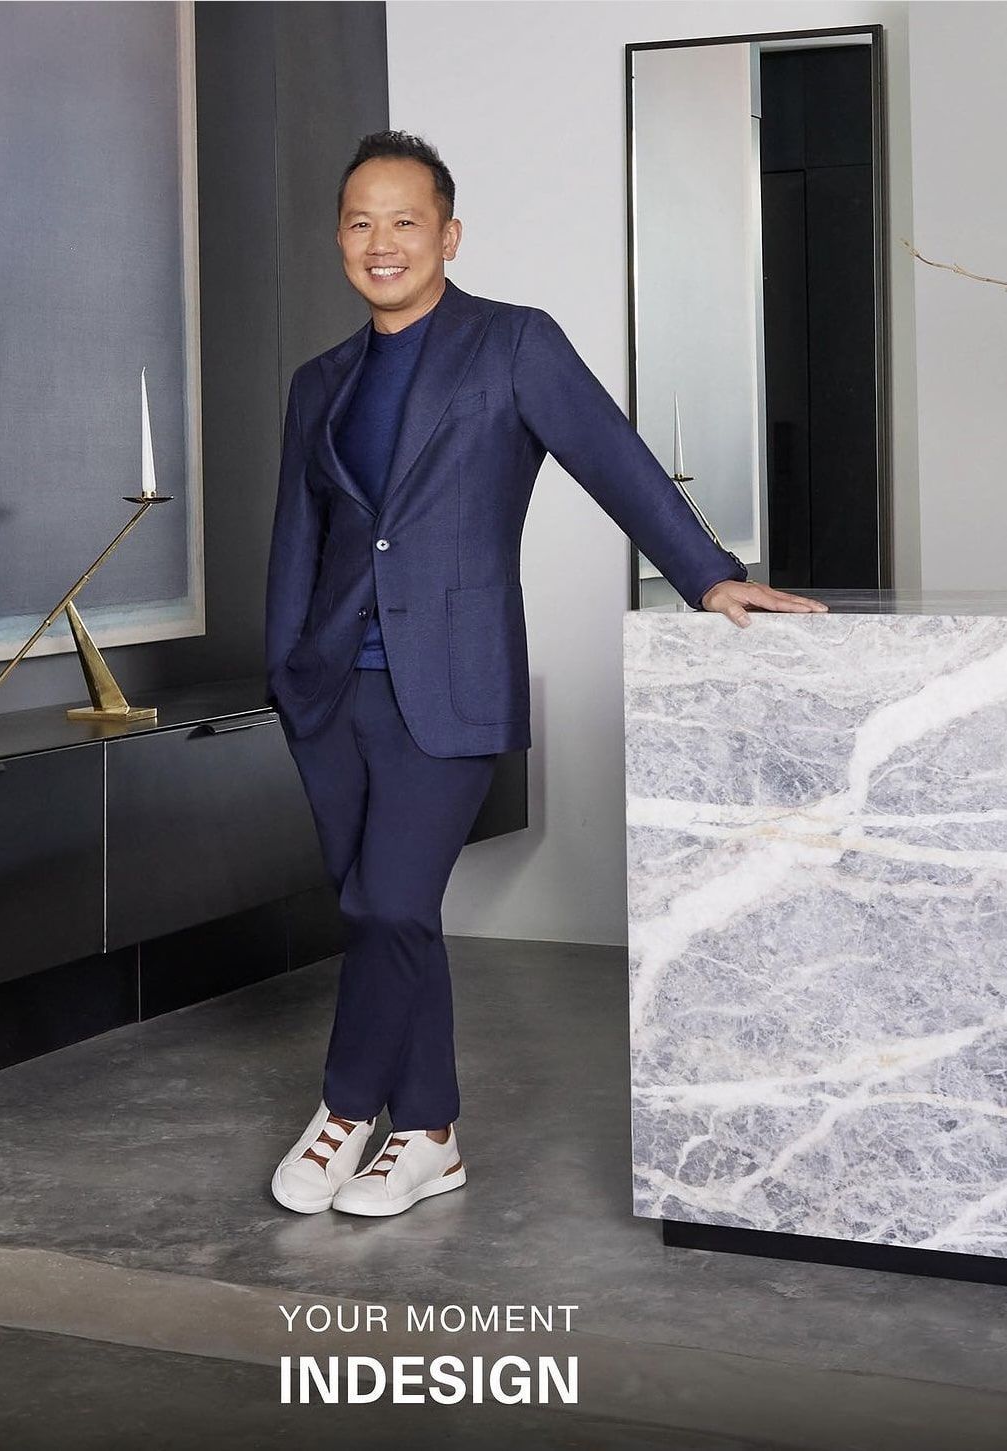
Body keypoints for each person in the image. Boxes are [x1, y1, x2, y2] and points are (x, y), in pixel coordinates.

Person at [264, 130, 827, 1219]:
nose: (380, 243)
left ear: (447, 234)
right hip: (332, 687)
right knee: (386, 911)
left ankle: (343, 1107)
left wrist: (709, 576)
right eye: (359, 222)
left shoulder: (511, 345)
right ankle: (429, 1133)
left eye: (405, 221)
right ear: (339, 236)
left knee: (389, 901)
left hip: (452, 682)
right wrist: (285, 670)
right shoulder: (316, 382)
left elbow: (610, 456)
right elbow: (296, 533)